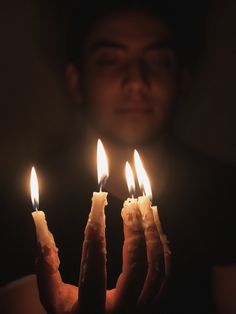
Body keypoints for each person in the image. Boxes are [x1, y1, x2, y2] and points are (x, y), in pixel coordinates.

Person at [0, 1, 235, 313]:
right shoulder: (17, 205)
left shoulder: (224, 194)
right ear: (75, 80)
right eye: (110, 60)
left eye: (158, 60)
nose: (136, 81)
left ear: (182, 79)